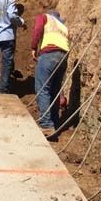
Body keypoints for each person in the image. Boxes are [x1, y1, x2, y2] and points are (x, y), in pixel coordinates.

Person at [31, 9, 70, 137]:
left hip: (49, 54)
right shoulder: (63, 26)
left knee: (43, 89)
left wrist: (33, 47)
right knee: (55, 90)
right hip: (63, 57)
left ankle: (46, 125)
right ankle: (54, 123)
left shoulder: (44, 17)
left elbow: (37, 30)